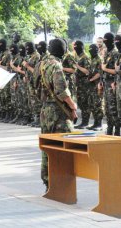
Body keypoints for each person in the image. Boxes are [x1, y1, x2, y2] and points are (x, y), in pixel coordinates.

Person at [39, 39, 78, 190]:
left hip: (45, 110)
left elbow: (33, 85)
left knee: (47, 147)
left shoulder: (42, 63)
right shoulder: (56, 65)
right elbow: (61, 90)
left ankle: (48, 181)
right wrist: (73, 106)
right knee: (64, 147)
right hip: (58, 112)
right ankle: (62, 184)